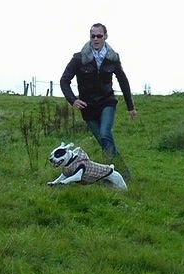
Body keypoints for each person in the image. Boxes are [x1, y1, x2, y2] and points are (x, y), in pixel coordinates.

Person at [60, 23, 137, 180]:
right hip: (88, 108)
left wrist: (131, 107)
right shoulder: (79, 58)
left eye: (99, 36)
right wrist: (73, 100)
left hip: (107, 103)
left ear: (105, 36)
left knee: (105, 134)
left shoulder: (112, 58)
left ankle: (124, 176)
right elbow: (64, 80)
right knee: (105, 144)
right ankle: (112, 175)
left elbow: (123, 80)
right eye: (92, 36)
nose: (95, 39)